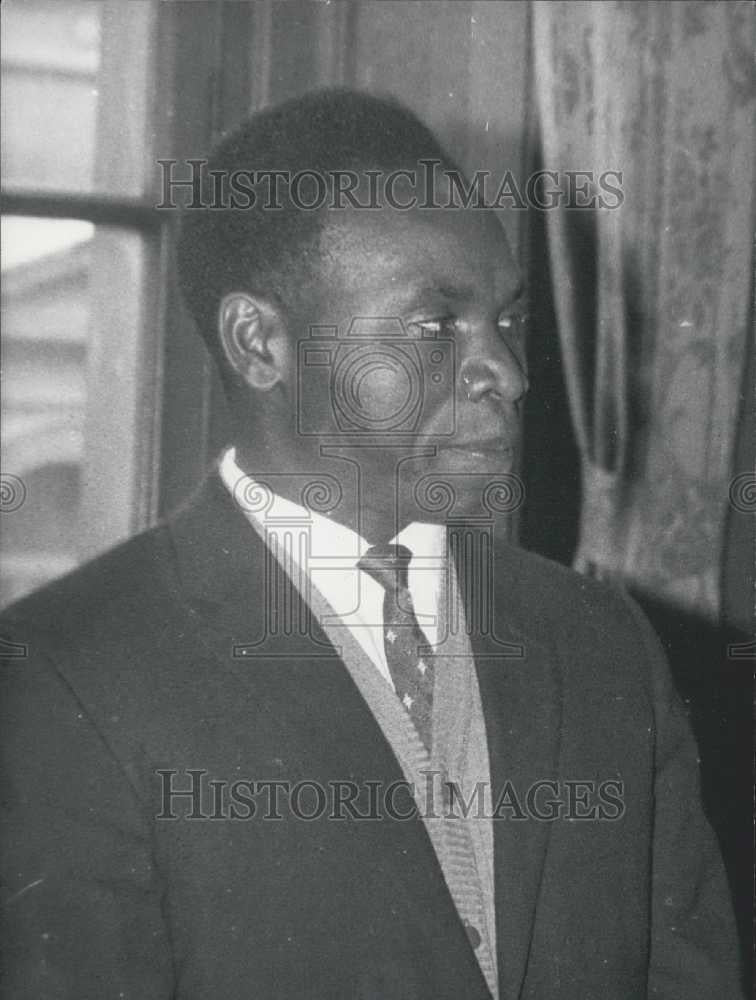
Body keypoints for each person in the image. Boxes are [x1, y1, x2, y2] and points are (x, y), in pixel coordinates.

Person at [0, 89, 743, 1000]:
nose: (505, 374)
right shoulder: (61, 676)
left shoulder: (604, 644)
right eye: (436, 327)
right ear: (259, 343)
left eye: (507, 319)